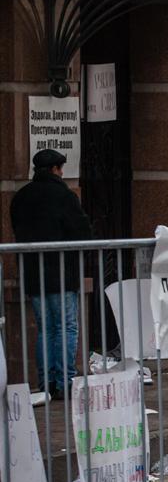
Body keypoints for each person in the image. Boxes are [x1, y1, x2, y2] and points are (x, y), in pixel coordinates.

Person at [9, 149, 92, 399]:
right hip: (62, 273)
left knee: (45, 329)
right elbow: (82, 231)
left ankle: (46, 382)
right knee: (66, 327)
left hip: (33, 273)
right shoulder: (64, 196)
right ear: (56, 169)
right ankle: (65, 381)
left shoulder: (21, 197)